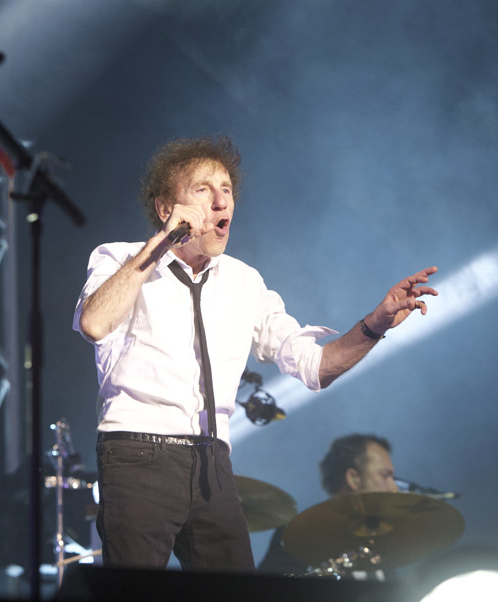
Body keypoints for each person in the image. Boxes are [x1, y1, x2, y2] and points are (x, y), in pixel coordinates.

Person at [72, 136, 437, 571]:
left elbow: (315, 367)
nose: (220, 201)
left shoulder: (244, 282)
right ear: (166, 207)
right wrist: (162, 242)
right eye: (203, 188)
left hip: (213, 462)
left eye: (226, 189)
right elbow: (94, 323)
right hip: (138, 453)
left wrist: (374, 326)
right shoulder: (122, 259)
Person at [258, 433, 398, 574]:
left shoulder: (380, 538)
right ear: (353, 478)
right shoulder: (298, 534)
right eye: (385, 475)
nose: (394, 488)